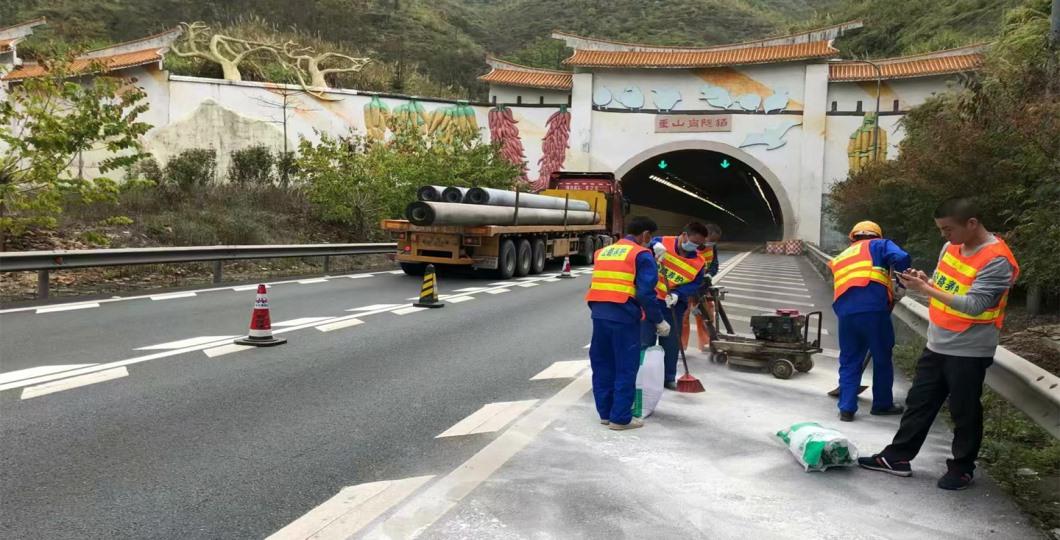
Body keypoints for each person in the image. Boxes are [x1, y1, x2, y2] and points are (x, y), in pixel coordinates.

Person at [859, 198, 1019, 490]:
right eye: (941, 230)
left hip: (970, 348)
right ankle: (897, 457)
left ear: (972, 223)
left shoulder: (997, 260)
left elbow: (975, 305)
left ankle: (962, 468)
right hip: (938, 341)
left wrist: (926, 289)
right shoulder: (951, 247)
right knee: (919, 403)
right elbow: (945, 287)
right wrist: (925, 282)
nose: (944, 235)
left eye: (948, 229)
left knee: (964, 410)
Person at [586, 216, 669, 431]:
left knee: (603, 364)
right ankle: (620, 418)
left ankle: (605, 414)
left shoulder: (603, 252)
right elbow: (646, 293)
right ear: (646, 235)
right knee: (625, 366)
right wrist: (658, 320)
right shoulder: (641, 255)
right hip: (624, 316)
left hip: (599, 315)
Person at [828, 220, 911, 422]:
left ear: (853, 237)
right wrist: (901, 284)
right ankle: (882, 404)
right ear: (877, 235)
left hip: (845, 313)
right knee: (881, 357)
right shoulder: (880, 245)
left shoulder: (842, 256)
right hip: (874, 310)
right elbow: (901, 257)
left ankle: (846, 408)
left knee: (849, 359)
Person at [641, 222, 709, 390]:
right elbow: (640, 245)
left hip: (673, 304)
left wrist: (679, 293)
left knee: (671, 342)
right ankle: (642, 377)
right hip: (650, 301)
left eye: (699, 244)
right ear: (684, 235)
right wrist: (652, 245)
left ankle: (668, 377)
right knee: (645, 340)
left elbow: (696, 283)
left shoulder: (699, 262)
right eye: (693, 242)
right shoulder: (661, 242)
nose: (695, 246)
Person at [683, 223, 722, 352]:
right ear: (704, 236)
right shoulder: (690, 247)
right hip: (687, 286)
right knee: (683, 316)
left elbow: (714, 264)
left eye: (715, 242)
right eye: (711, 240)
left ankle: (705, 344)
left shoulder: (712, 247)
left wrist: (709, 274)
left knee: (707, 316)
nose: (712, 244)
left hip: (703, 286)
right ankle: (680, 346)